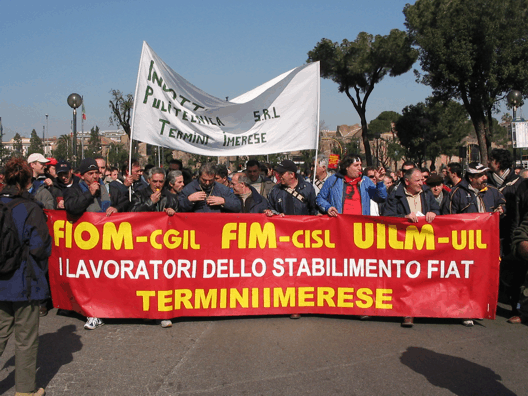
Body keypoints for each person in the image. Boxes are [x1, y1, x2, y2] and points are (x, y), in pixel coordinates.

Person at [0, 157, 50, 396]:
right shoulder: (31, 208)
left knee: (0, 332)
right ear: (28, 180)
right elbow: (41, 248)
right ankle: (25, 390)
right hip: (24, 281)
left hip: (0, 280)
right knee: (26, 339)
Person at [64, 158, 120, 330]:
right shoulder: (74, 189)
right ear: (82, 175)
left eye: (96, 172)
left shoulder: (106, 187)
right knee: (89, 278)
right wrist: (89, 193)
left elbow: (118, 204)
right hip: (85, 242)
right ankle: (92, 313)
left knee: (104, 276)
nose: (95, 176)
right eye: (91, 174)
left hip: (105, 240)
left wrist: (115, 209)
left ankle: (106, 309)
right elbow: (72, 208)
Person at [383, 167, 440, 328]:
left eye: (422, 180)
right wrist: (403, 218)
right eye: (418, 180)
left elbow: (436, 209)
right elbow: (388, 216)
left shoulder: (427, 193)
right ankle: (407, 312)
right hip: (403, 243)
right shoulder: (395, 194)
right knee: (407, 278)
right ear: (407, 182)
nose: (422, 183)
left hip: (424, 241)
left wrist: (433, 213)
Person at [316, 155, 387, 217]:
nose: (359, 168)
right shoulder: (333, 180)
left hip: (360, 226)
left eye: (360, 165)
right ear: (347, 167)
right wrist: (328, 207)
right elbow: (320, 198)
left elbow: (381, 198)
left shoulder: (365, 181)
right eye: (356, 165)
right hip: (340, 224)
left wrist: (379, 182)